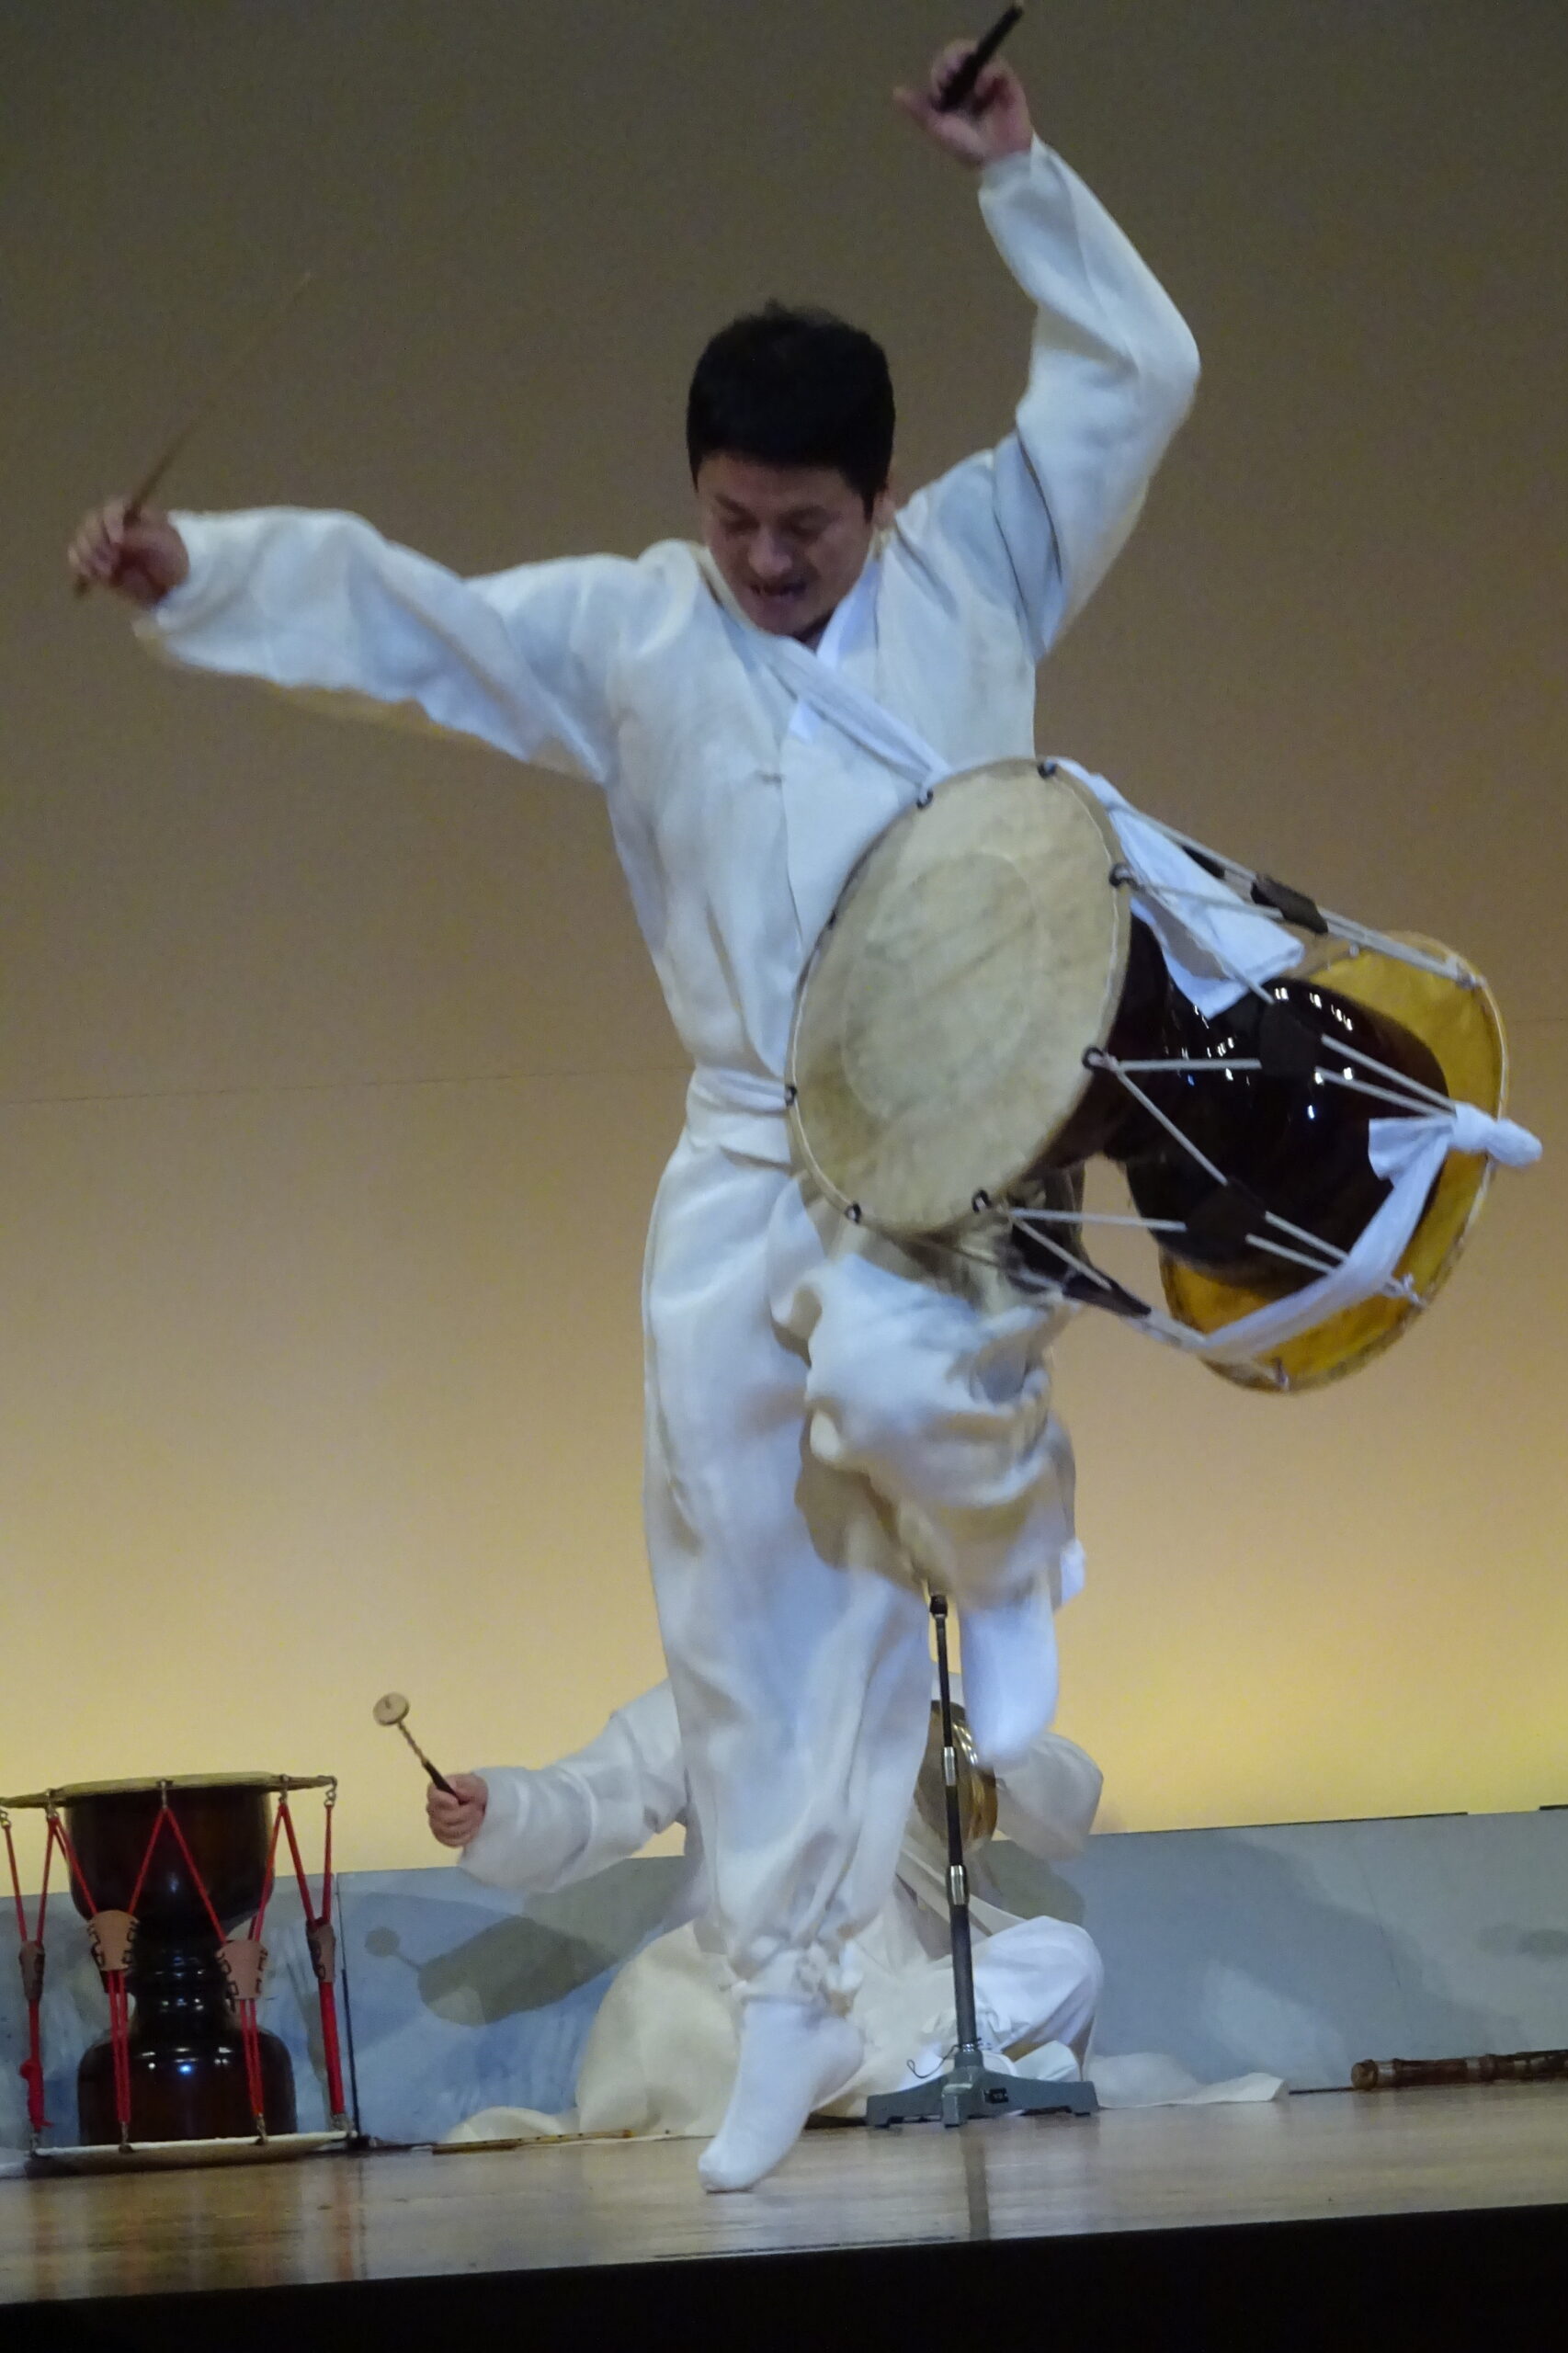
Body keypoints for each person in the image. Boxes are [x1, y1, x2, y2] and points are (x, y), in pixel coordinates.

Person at [69, 39, 1199, 2188]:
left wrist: (1019, 177)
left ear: (883, 496)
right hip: (748, 1146)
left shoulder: (985, 564)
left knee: (911, 1435)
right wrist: (194, 572)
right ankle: (791, 1986)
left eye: (805, 525)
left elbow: (1137, 375)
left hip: (944, 1147)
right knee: (731, 1582)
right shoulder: (636, 631)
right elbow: (414, 622)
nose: (765, 555)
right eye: (733, 518)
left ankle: (1008, 1621)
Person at [426, 1682, 1105, 2141]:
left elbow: (1071, 1804)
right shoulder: (706, 1696)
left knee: (1068, 1955)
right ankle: (932, 2073)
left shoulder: (924, 1684)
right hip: (765, 1981)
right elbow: (592, 1796)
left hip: (910, 1991)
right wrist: (502, 1808)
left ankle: (939, 2062)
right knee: (724, 2026)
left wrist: (983, 1738)